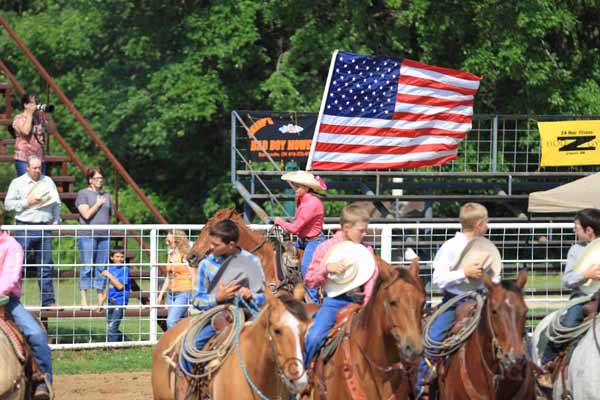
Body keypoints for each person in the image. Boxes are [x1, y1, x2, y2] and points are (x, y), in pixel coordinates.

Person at [415, 202, 497, 398]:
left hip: (482, 300)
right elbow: (439, 279)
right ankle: (421, 383)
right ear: (478, 224)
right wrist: (464, 273)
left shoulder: (486, 247)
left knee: (511, 335)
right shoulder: (450, 246)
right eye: (486, 223)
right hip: (455, 301)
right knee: (431, 342)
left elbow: (496, 277)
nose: (487, 226)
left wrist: (490, 280)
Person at [179, 219, 266, 375]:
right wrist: (217, 298)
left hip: (250, 314)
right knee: (188, 349)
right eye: (211, 243)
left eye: (216, 245)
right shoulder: (206, 264)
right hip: (217, 314)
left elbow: (264, 297)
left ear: (231, 245)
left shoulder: (252, 261)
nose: (211, 248)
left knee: (276, 347)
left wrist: (250, 294)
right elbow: (196, 299)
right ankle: (192, 390)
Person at [302, 203, 379, 370]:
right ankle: (304, 376)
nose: (364, 234)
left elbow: (372, 277)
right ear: (346, 228)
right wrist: (326, 268)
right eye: (361, 230)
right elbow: (309, 280)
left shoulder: (366, 249)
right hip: (334, 302)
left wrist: (367, 303)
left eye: (365, 230)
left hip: (360, 303)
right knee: (314, 337)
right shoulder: (325, 248)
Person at [539, 208, 600, 385]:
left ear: (589, 230)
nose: (574, 231)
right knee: (568, 323)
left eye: (577, 227)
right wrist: (585, 275)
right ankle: (548, 363)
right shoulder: (576, 250)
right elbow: (567, 279)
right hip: (582, 296)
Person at [0, 205, 53, 400]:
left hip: (6, 301)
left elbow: (10, 278)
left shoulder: (11, 245)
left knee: (36, 334)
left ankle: (42, 380)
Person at [4, 155, 60, 308]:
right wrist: (26, 202)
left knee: (46, 265)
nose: (37, 170)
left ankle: (48, 302)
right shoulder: (18, 183)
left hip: (44, 227)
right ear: (27, 167)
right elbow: (8, 205)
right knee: (17, 265)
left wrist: (55, 221)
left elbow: (57, 203)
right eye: (34, 167)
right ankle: (13, 300)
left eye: (39, 167)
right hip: (24, 227)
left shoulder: (48, 181)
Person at [274, 170, 327, 303]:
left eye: (298, 186)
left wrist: (279, 221)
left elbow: (295, 228)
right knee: (278, 251)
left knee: (306, 268)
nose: (294, 188)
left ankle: (313, 301)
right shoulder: (303, 200)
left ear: (307, 187)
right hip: (304, 240)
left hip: (315, 241)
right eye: (294, 185)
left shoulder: (312, 204)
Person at [76, 166, 114, 307]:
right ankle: (84, 300)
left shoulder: (107, 195)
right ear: (90, 180)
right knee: (87, 266)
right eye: (97, 178)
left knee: (101, 267)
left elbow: (110, 215)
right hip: (87, 235)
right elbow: (86, 214)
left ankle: (100, 300)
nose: (100, 180)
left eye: (101, 178)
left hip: (104, 236)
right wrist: (98, 204)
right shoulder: (83, 194)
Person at [157, 230, 194, 329]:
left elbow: (193, 275)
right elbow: (169, 276)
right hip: (171, 293)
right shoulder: (170, 255)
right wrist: (161, 294)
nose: (166, 240)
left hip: (184, 291)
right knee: (174, 321)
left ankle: (175, 342)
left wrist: (195, 292)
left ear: (177, 240)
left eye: (168, 239)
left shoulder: (185, 256)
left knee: (171, 321)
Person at [11, 93, 47, 176]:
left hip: (39, 158)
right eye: (33, 103)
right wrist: (30, 114)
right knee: (25, 185)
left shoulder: (39, 119)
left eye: (37, 103)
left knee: (40, 186)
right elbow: (26, 131)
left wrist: (48, 116)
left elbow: (52, 130)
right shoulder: (18, 118)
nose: (36, 105)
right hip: (24, 159)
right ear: (25, 105)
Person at [100, 248, 131, 342]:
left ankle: (112, 347)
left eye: (122, 257)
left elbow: (120, 286)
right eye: (117, 256)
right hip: (110, 301)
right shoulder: (110, 269)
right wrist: (101, 303)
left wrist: (109, 275)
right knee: (110, 325)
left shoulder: (125, 269)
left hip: (120, 301)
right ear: (111, 257)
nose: (120, 259)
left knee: (113, 326)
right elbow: (107, 288)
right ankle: (126, 340)